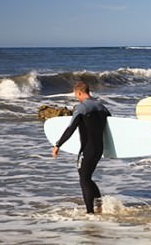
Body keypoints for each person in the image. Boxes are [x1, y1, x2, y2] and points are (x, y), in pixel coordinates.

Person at [51, 81, 111, 213]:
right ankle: (99, 204)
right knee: (87, 177)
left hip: (87, 150)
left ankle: (90, 212)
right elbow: (111, 126)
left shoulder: (81, 108)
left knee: (84, 180)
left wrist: (58, 145)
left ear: (79, 92)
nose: (76, 98)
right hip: (99, 149)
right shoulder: (101, 107)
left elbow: (70, 128)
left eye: (76, 95)